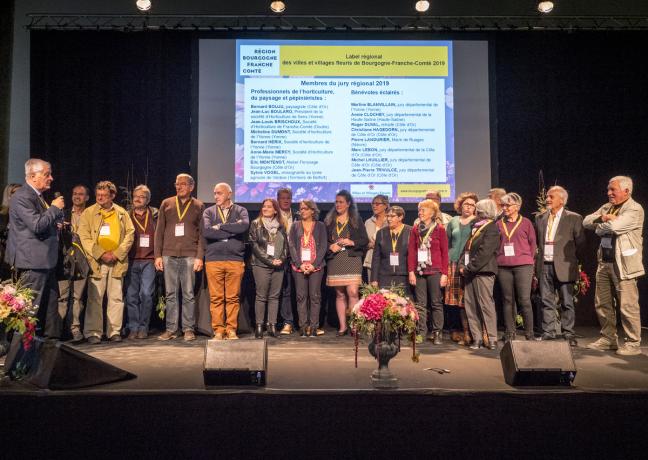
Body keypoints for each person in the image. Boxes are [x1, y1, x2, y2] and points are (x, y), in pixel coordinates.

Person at [583, 176, 645, 355]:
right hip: (605, 262)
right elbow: (586, 221)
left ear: (626, 191)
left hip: (623, 264)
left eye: (613, 190)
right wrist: (604, 217)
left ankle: (633, 343)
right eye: (608, 189)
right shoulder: (607, 207)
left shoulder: (634, 209)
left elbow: (614, 227)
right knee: (602, 303)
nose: (609, 193)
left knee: (627, 305)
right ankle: (608, 338)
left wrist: (602, 224)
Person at [5, 159, 64, 338]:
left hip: (45, 262)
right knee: (28, 315)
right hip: (32, 264)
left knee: (50, 313)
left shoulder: (37, 196)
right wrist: (54, 209)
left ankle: (49, 355)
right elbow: (37, 225)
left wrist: (56, 223)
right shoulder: (22, 197)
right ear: (32, 176)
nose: (51, 178)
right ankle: (18, 362)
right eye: (47, 174)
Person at [78, 181, 134, 344]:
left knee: (116, 297)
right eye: (98, 195)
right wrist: (101, 253)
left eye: (104, 195)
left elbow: (130, 235)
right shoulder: (88, 213)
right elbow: (85, 237)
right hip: (97, 262)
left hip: (117, 262)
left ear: (112, 196)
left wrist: (117, 254)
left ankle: (114, 331)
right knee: (95, 298)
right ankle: (94, 332)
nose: (100, 198)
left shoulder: (122, 213)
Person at [154, 173, 204, 342]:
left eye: (183, 184)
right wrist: (157, 255)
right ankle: (171, 329)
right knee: (170, 294)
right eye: (177, 184)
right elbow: (159, 231)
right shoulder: (166, 203)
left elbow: (202, 234)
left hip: (190, 255)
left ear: (191, 186)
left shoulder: (198, 205)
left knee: (188, 293)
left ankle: (188, 329)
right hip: (168, 255)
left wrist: (199, 257)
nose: (179, 186)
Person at [535, 186, 586, 347]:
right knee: (546, 300)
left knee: (567, 302)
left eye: (551, 197)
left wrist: (572, 261)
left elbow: (581, 244)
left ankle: (568, 334)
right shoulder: (541, 218)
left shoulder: (574, 218)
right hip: (544, 265)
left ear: (562, 200)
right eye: (547, 197)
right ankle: (548, 332)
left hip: (564, 265)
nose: (547, 199)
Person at [203, 182, 249, 340]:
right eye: (215, 193)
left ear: (229, 194)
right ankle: (218, 330)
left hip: (234, 260)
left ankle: (231, 330)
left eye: (219, 193)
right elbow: (207, 232)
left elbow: (243, 227)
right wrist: (231, 230)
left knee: (232, 297)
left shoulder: (240, 210)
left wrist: (220, 227)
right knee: (216, 298)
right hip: (213, 260)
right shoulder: (208, 212)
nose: (216, 196)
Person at [325, 190, 368, 336]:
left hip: (352, 259)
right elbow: (322, 241)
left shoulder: (356, 220)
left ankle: (355, 326)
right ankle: (343, 327)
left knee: (353, 292)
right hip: (335, 260)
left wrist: (352, 242)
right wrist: (330, 246)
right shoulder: (329, 221)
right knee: (340, 294)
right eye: (336, 202)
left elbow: (364, 241)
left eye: (341, 202)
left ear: (348, 204)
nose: (338, 205)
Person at [459, 199, 500, 350]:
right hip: (470, 272)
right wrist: (462, 264)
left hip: (483, 271)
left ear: (483, 212)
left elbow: (485, 253)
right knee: (471, 306)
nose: (475, 211)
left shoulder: (492, 228)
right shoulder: (476, 227)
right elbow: (467, 249)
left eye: (477, 209)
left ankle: (492, 338)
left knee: (485, 305)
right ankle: (476, 338)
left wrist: (468, 268)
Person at [496, 192, 537, 341]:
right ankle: (510, 332)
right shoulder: (499, 223)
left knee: (524, 300)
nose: (505, 208)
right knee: (507, 300)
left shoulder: (526, 222)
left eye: (508, 205)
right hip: (503, 266)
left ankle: (529, 333)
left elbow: (533, 244)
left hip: (523, 266)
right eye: (503, 205)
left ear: (517, 206)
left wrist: (528, 260)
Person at [408, 199, 449, 344]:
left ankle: (437, 332)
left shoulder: (440, 229)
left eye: (423, 210)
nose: (420, 212)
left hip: (436, 270)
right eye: (419, 210)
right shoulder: (415, 229)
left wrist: (445, 273)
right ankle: (421, 332)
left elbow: (445, 253)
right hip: (419, 271)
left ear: (432, 213)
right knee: (420, 303)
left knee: (436, 303)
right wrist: (411, 272)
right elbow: (412, 252)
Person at [249, 199, 287, 339]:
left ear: (275, 210)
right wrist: (270, 260)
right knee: (261, 296)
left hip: (278, 265)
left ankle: (271, 325)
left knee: (274, 296)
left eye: (269, 207)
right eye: (263, 206)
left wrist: (281, 259)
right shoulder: (256, 224)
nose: (265, 208)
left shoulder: (281, 226)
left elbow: (285, 247)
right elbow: (254, 246)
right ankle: (259, 326)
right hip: (261, 264)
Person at [289, 199, 328, 337]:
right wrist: (299, 264)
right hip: (299, 267)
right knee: (301, 296)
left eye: (306, 208)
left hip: (315, 267)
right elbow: (292, 246)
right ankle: (303, 326)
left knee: (315, 296)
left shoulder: (320, 226)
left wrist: (314, 264)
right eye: (301, 208)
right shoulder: (295, 226)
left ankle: (313, 326)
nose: (303, 211)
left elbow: (323, 246)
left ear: (312, 210)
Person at [57, 184, 90, 343]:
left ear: (87, 198)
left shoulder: (91, 215)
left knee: (78, 297)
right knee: (62, 297)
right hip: (64, 261)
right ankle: (59, 328)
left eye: (81, 194)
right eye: (75, 194)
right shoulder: (62, 214)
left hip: (82, 261)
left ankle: (75, 329)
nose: (77, 197)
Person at [445, 192, 479, 346]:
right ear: (460, 205)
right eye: (466, 204)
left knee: (467, 299)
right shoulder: (453, 221)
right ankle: (457, 330)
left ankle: (470, 332)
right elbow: (447, 243)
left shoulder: (477, 222)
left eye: (472, 205)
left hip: (468, 264)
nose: (469, 207)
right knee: (453, 299)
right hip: (452, 263)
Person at [125, 185, 158, 340]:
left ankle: (143, 327)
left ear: (148, 200)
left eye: (142, 196)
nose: (137, 199)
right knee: (131, 296)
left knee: (146, 294)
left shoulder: (155, 214)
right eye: (135, 196)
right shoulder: (126, 215)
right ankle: (133, 327)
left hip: (149, 260)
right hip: (131, 260)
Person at [370, 205, 411, 290]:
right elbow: (376, 258)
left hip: (404, 276)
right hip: (385, 276)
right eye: (387, 216)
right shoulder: (381, 233)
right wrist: (374, 279)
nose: (389, 219)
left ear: (400, 217)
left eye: (392, 216)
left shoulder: (410, 231)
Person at [276, 188, 296, 335]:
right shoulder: (274, 216)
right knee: (284, 291)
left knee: (301, 292)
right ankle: (286, 322)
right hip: (280, 258)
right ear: (278, 200)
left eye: (288, 198)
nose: (285, 200)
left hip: (298, 258)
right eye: (283, 198)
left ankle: (304, 323)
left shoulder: (298, 216)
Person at [364, 194, 389, 283]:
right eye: (373, 204)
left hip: (387, 260)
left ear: (385, 206)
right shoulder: (368, 222)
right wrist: (369, 244)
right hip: (371, 260)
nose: (374, 206)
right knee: (372, 290)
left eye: (377, 204)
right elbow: (363, 242)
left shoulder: (391, 221)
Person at [0, 183, 22, 280]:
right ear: (8, 196)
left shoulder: (27, 214)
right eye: (14, 193)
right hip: (4, 259)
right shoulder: (2, 216)